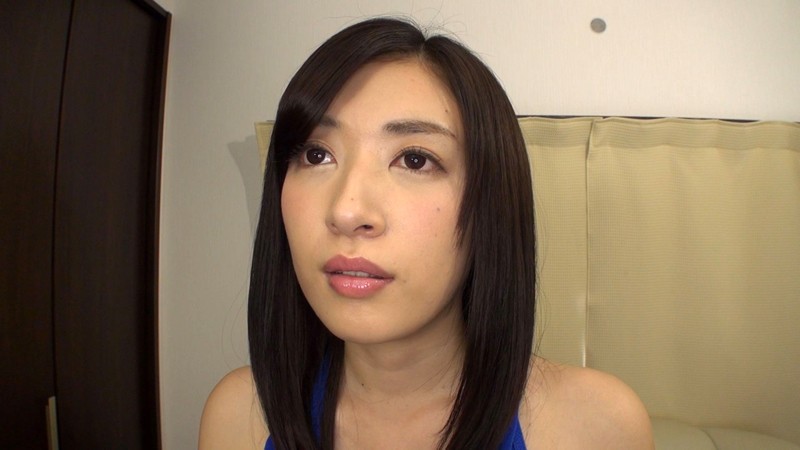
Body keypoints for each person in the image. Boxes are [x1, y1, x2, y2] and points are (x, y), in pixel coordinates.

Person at [199, 17, 654, 450]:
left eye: (414, 160)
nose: (346, 211)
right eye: (316, 155)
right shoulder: (239, 415)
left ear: (489, 205)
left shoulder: (594, 425)